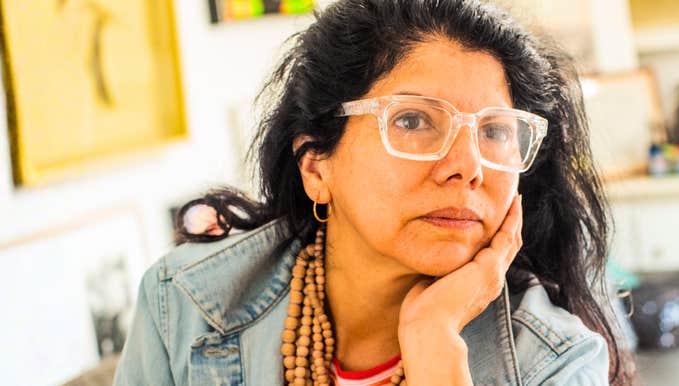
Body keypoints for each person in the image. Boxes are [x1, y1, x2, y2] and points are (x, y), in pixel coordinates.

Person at [113, 0, 635, 385]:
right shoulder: (181, 303)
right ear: (317, 166)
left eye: (495, 132)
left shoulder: (558, 361)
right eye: (413, 121)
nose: (468, 168)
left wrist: (434, 345)